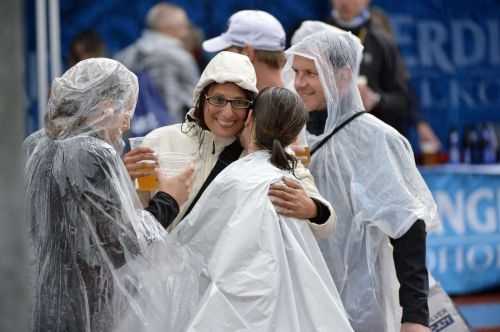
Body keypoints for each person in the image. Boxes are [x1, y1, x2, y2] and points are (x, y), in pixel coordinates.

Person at [283, 29, 439, 332]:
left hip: (363, 304)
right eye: (297, 72)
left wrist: (415, 316)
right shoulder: (292, 132)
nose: (299, 83)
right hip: (305, 300)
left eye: (311, 73)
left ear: (343, 76)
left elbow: (407, 228)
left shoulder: (376, 139)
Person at [24, 58, 194, 332]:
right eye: (126, 110)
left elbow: (76, 219)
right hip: (84, 308)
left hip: (38, 300)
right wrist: (169, 198)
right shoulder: (94, 152)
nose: (127, 124)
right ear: (105, 108)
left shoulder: (36, 144)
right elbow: (121, 244)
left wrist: (121, 181)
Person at [168, 87, 353, 331]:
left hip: (232, 310)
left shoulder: (238, 178)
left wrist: (313, 209)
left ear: (250, 118)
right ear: (295, 134)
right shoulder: (285, 178)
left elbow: (191, 246)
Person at [124, 51, 335, 237]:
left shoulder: (268, 153)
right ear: (201, 98)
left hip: (223, 278)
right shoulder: (159, 141)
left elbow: (327, 225)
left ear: (251, 108)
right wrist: (123, 179)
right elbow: (133, 218)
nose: (227, 113)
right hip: (161, 275)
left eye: (239, 103)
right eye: (218, 100)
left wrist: (313, 210)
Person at [326, 0, 442, 153]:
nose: (346, 2)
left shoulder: (381, 40)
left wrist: (376, 100)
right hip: (328, 143)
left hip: (373, 146)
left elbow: (403, 99)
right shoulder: (315, 35)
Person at [115, 2, 199, 122]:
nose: (187, 31)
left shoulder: (123, 57)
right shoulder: (181, 57)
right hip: (174, 133)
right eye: (184, 25)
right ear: (170, 28)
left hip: (133, 133)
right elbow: (195, 100)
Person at [202, 10, 286, 90]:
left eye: (227, 51)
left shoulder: (250, 102)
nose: (223, 59)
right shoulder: (292, 95)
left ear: (247, 53)